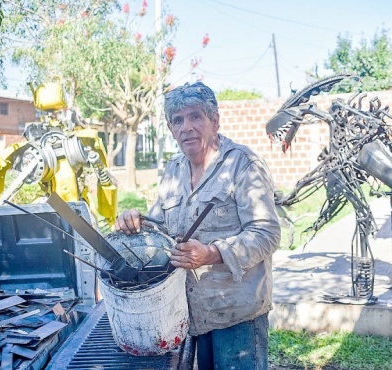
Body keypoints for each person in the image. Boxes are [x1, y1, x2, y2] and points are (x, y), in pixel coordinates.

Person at [115, 81, 281, 369]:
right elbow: (161, 229)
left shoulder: (243, 164)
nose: (186, 127)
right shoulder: (173, 169)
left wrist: (211, 253)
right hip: (191, 312)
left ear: (214, 121)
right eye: (178, 120)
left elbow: (266, 233)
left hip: (236, 313)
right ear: (170, 129)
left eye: (195, 116)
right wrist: (136, 222)